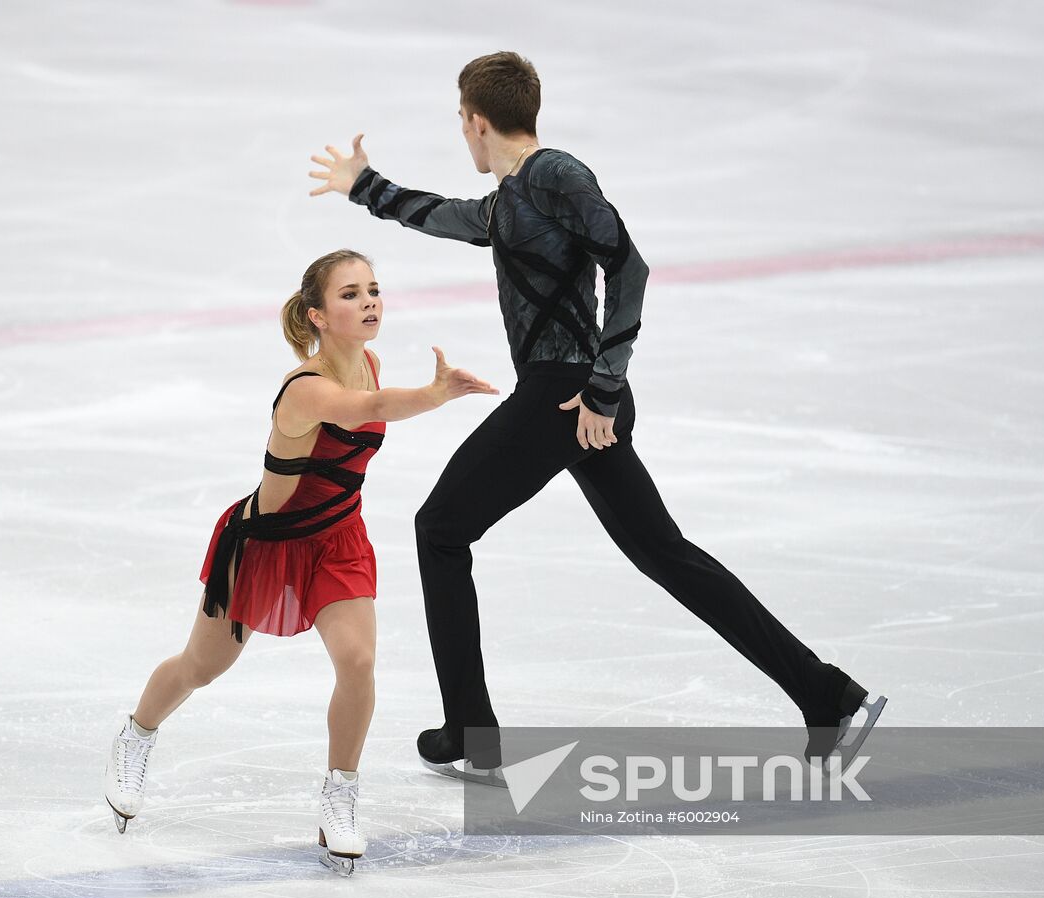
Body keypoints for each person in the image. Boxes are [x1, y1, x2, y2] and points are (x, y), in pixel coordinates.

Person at [307, 52, 886, 783]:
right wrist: (366, 187)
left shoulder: (556, 176)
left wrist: (606, 387)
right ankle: (827, 693)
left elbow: (630, 266)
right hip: (574, 399)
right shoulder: (509, 200)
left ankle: (471, 730)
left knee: (440, 528)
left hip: (567, 395)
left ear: (477, 122)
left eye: (462, 123)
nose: (463, 136)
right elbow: (446, 216)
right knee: (664, 552)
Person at [103, 249, 498, 874]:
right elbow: (364, 412)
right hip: (265, 543)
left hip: (338, 538)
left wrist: (420, 393)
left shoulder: (369, 363)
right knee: (202, 667)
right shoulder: (307, 389)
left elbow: (371, 401)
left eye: (373, 289)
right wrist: (434, 394)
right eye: (350, 294)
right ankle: (137, 734)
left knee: (359, 659)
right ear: (316, 315)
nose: (369, 301)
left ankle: (340, 795)